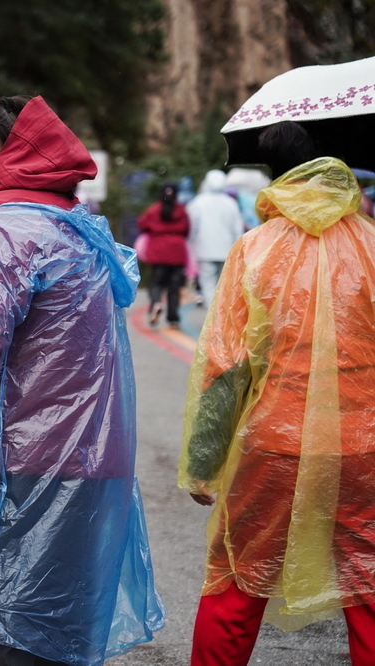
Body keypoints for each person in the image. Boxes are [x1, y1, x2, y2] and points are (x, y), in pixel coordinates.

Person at [0, 81, 164, 666]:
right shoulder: (68, 214)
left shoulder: (0, 227)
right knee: (63, 636)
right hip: (96, 462)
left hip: (26, 469)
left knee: (4, 635)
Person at [179, 120, 375, 665]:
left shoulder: (255, 249)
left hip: (275, 445)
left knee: (235, 578)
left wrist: (204, 463)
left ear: (274, 175)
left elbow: (226, 364)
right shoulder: (372, 245)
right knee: (369, 585)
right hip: (364, 445)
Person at [185, 169, 245, 305]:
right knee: (224, 285)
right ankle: (221, 313)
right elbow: (237, 229)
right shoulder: (231, 203)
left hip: (204, 250)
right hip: (227, 250)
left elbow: (192, 228)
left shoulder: (197, 202)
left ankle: (211, 313)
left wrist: (191, 245)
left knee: (208, 285)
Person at [138, 183, 191, 327]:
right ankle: (173, 318)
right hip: (177, 252)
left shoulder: (153, 210)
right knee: (174, 287)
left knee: (156, 283)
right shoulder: (181, 211)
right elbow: (187, 230)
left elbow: (142, 225)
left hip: (158, 251)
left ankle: (156, 303)